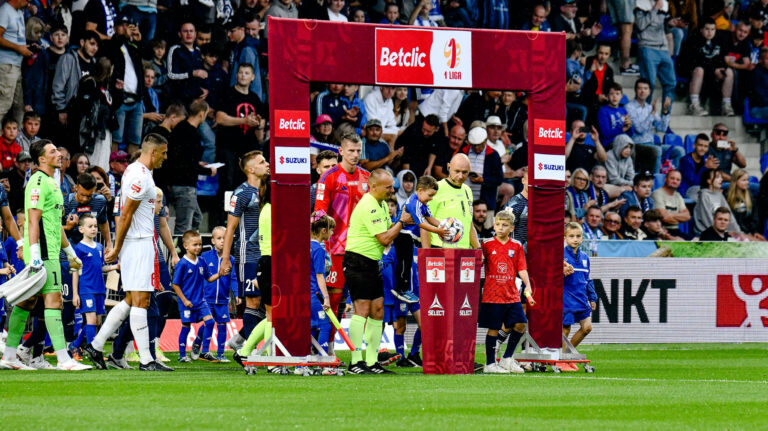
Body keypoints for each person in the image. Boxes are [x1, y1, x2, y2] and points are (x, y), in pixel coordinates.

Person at [84, 133, 170, 372]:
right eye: (163, 153)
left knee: (132, 300)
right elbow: (126, 214)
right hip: (138, 242)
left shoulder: (136, 171)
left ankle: (97, 345)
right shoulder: (141, 177)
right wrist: (118, 247)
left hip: (137, 242)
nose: (165, 157)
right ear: (153, 152)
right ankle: (146, 360)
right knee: (141, 301)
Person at [0, 140, 89, 371]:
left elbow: (55, 224)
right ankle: (63, 359)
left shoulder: (53, 182)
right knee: (54, 301)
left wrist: (69, 252)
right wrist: (36, 254)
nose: (59, 154)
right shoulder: (38, 181)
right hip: (43, 252)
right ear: (41, 158)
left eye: (58, 150)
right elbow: (33, 219)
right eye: (53, 152)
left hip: (51, 250)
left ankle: (10, 357)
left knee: (28, 301)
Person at [343, 169, 413, 374]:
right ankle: (355, 362)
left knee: (378, 310)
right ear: (373, 186)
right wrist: (402, 222)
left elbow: (389, 229)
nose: (392, 190)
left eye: (393, 186)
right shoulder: (368, 206)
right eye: (388, 186)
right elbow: (384, 238)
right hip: (357, 260)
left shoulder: (381, 204)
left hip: (372, 262)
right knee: (362, 310)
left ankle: (372, 362)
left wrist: (400, 225)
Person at [313, 133, 370, 331]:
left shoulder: (367, 178)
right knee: (334, 301)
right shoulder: (328, 177)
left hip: (362, 249)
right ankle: (327, 350)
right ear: (341, 152)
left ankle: (369, 352)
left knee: (365, 301)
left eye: (358, 151)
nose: (355, 155)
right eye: (351, 151)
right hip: (335, 249)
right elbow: (319, 214)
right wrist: (321, 246)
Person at [219, 150, 269, 351]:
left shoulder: (268, 190)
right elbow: (230, 228)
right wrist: (225, 258)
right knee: (253, 299)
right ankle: (249, 349)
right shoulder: (241, 193)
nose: (267, 164)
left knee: (268, 302)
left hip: (267, 253)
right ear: (250, 169)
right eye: (261, 161)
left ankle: (240, 339)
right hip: (247, 254)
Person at [479, 209, 531, 374]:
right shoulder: (486, 244)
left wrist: (527, 285)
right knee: (494, 328)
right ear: (494, 225)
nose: (500, 228)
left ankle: (507, 358)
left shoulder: (516, 245)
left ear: (512, 228)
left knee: (521, 323)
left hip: (511, 293)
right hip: (492, 294)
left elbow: (521, 268)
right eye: (498, 224)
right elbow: (478, 263)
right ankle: (490, 364)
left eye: (505, 225)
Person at [161, 99, 215, 234]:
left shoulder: (179, 129)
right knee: (183, 227)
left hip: (175, 182)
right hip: (184, 184)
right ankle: (180, 252)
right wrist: (207, 171)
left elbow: (181, 159)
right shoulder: (192, 135)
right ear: (202, 114)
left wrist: (198, 164)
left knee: (196, 218)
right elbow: (187, 164)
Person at [393, 175, 447, 303]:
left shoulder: (423, 202)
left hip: (408, 236)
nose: (431, 199)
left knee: (407, 262)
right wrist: (438, 231)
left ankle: (403, 288)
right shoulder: (414, 202)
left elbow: (430, 218)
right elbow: (421, 223)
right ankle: (402, 289)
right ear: (421, 191)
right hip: (402, 234)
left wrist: (444, 225)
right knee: (404, 263)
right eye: (430, 195)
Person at [189, 226, 237, 362]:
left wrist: (237, 294)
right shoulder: (205, 257)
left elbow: (233, 277)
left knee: (222, 325)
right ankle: (202, 348)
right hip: (207, 299)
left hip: (223, 299)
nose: (222, 241)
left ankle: (221, 354)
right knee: (208, 324)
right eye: (219, 238)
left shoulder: (230, 259)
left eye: (225, 238)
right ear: (213, 241)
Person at [172, 230, 221, 363]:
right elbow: (175, 285)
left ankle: (203, 350)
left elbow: (209, 278)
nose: (198, 247)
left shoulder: (202, 261)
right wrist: (184, 300)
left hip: (200, 301)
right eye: (195, 245)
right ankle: (182, 355)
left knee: (210, 322)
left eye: (200, 244)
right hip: (186, 302)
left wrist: (220, 274)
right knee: (186, 327)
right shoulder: (182, 263)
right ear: (186, 246)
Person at [71, 215, 117, 349]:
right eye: (90, 226)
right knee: (90, 320)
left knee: (96, 322)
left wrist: (115, 267)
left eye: (95, 226)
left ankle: (75, 346)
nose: (93, 229)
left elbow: (101, 267)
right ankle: (94, 352)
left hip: (99, 289)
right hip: (87, 289)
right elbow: (74, 271)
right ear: (81, 229)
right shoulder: (78, 249)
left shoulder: (99, 247)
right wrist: (75, 294)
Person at [424, 153, 480, 250]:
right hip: (440, 249)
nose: (460, 176)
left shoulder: (468, 190)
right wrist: (426, 254)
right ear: (448, 167)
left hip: (464, 251)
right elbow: (425, 223)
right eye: (457, 171)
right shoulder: (436, 188)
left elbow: (469, 224)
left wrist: (479, 249)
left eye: (465, 172)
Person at [561, 222, 596, 371]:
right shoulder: (561, 255)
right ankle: (562, 361)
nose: (575, 239)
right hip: (566, 297)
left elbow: (587, 279)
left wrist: (592, 297)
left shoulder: (584, 257)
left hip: (581, 298)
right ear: (565, 238)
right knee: (565, 329)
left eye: (578, 236)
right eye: (571, 236)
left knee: (587, 327)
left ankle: (567, 356)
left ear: (582, 238)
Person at [625, 78, 675, 174]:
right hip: (638, 145)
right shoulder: (629, 107)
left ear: (649, 91)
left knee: (678, 151)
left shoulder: (649, 107)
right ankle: (656, 181)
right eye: (640, 88)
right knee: (657, 150)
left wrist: (665, 112)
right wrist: (651, 114)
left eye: (645, 88)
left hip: (651, 143)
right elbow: (639, 130)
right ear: (635, 90)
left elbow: (662, 128)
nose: (642, 91)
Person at [684, 18, 733, 116]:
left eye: (712, 29)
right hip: (695, 73)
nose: (710, 32)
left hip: (712, 73)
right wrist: (714, 70)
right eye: (707, 29)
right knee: (699, 70)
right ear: (701, 29)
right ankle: (694, 105)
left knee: (729, 72)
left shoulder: (719, 40)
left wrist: (720, 69)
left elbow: (722, 59)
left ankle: (726, 106)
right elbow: (696, 61)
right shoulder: (693, 40)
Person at [634, 0, 676, 109]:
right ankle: (643, 118)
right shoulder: (640, 3)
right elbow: (640, 25)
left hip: (663, 48)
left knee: (671, 84)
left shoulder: (665, 3)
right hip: (647, 47)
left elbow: (665, 27)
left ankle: (664, 121)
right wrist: (655, 9)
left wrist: (671, 25)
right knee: (648, 85)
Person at [460, 126, 503, 225]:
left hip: (485, 204)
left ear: (485, 141)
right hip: (465, 202)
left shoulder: (493, 155)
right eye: (473, 145)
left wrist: (483, 180)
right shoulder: (463, 152)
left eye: (479, 145)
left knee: (487, 232)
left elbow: (499, 179)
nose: (476, 148)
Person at [0, 0, 32, 126]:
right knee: (3, 104)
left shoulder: (19, 12)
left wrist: (27, 47)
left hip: (17, 65)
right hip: (6, 65)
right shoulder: (4, 10)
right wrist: (18, 48)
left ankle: (17, 143)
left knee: (19, 106)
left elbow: (16, 37)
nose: (29, 2)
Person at [63, 173, 112, 251]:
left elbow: (103, 222)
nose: (85, 199)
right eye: (82, 195)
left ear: (94, 190)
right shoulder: (65, 203)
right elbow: (53, 228)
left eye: (89, 196)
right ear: (76, 188)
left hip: (90, 249)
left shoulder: (100, 201)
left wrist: (109, 244)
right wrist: (68, 227)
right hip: (68, 250)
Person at [309, 211, 334, 361]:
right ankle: (323, 361)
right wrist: (326, 297)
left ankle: (302, 364)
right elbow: (319, 275)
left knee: (311, 328)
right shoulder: (318, 250)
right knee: (325, 326)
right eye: (331, 229)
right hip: (314, 295)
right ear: (323, 230)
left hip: (304, 294)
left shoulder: (304, 246)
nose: (332, 233)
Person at [693, 168, 742, 236]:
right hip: (705, 234)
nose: (721, 179)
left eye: (721, 177)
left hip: (721, 232)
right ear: (709, 181)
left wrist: (738, 232)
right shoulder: (704, 196)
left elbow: (729, 215)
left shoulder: (719, 195)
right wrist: (723, 234)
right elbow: (707, 219)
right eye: (717, 177)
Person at [225, 16, 262, 100]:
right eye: (227, 31)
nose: (228, 34)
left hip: (246, 98)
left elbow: (245, 80)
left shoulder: (247, 49)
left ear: (242, 30)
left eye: (232, 31)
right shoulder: (237, 45)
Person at [651, 169, 692, 238]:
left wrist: (670, 215)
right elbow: (664, 218)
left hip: (676, 230)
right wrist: (679, 219)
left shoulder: (678, 196)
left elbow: (687, 216)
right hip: (662, 232)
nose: (675, 181)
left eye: (678, 180)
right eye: (672, 178)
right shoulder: (657, 194)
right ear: (665, 179)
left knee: (695, 241)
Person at [727, 169, 765, 240]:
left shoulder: (750, 196)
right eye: (744, 180)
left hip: (748, 232)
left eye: (747, 180)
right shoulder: (727, 197)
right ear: (736, 181)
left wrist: (753, 231)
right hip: (733, 233)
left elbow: (755, 217)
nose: (747, 182)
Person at [679, 134, 719, 198]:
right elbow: (693, 182)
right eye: (700, 145)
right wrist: (705, 167)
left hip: (702, 189)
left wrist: (713, 169)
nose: (703, 149)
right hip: (689, 190)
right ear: (694, 145)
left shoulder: (706, 159)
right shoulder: (685, 160)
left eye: (706, 146)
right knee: (706, 198)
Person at [597, 83, 632, 147]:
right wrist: (623, 129)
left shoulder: (623, 110)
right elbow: (605, 133)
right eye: (611, 94)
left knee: (651, 152)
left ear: (621, 96)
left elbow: (630, 134)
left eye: (617, 94)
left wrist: (629, 126)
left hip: (624, 141)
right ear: (607, 96)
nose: (614, 96)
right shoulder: (603, 111)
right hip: (610, 143)